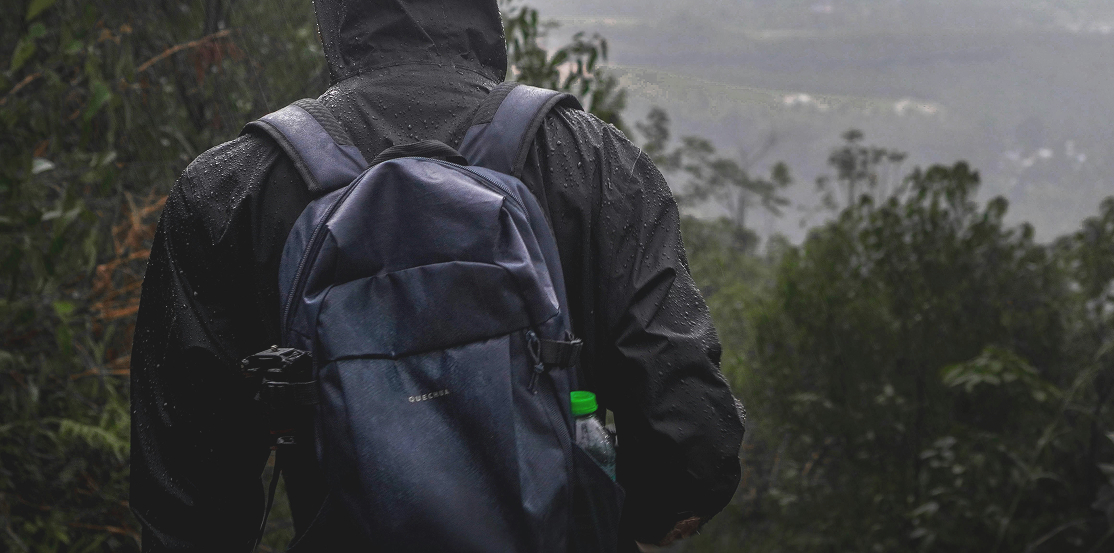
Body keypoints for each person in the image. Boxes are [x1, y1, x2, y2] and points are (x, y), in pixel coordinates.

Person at [128, 0, 745, 550]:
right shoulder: (592, 162)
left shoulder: (232, 187)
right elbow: (690, 435)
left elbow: (182, 495)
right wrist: (650, 513)